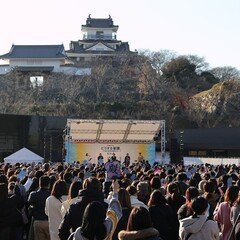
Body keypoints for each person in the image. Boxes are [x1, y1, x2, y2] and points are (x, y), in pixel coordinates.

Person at [28, 176, 51, 240]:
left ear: (39, 183)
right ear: (49, 184)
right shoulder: (51, 195)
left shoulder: (33, 195)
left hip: (37, 221)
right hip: (49, 221)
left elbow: (30, 206)